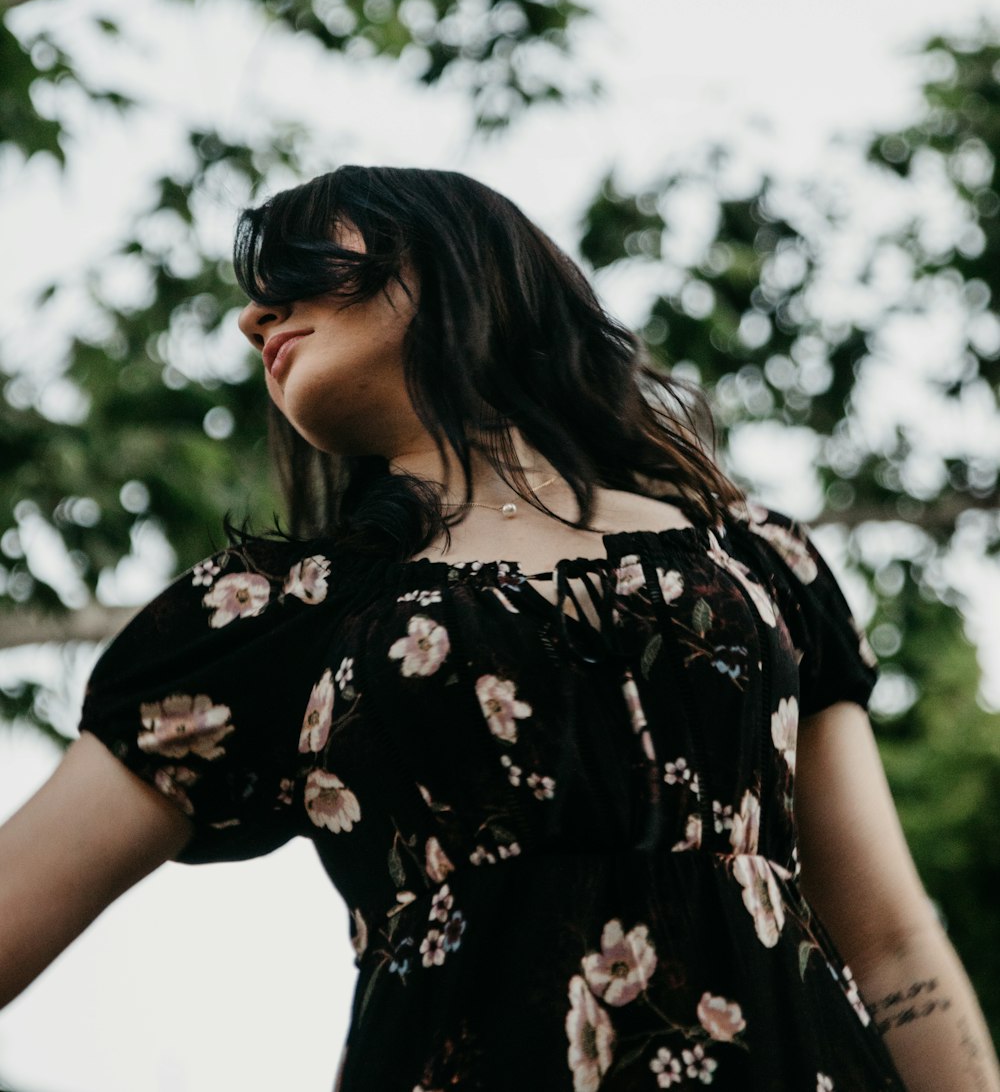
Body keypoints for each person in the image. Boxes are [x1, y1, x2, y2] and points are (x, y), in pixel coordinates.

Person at [0, 164, 996, 1092]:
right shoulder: (275, 615)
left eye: (302, 269)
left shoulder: (752, 556)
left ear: (457, 265)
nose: (255, 314)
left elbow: (892, 940)